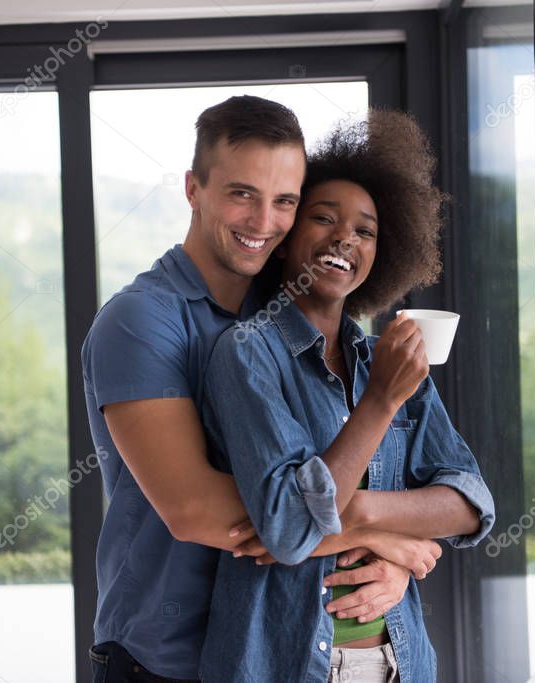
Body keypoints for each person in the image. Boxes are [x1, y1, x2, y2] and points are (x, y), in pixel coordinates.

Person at [82, 96, 482, 682]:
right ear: (193, 188)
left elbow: (372, 488)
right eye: (242, 193)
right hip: (163, 658)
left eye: (285, 202)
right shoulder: (142, 321)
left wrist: (380, 534)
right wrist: (385, 537)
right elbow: (197, 511)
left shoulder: (294, 334)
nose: (263, 221)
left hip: (275, 653)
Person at [199, 110, 495, 683]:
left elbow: (471, 504)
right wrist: (380, 403)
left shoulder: (387, 361)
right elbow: (288, 528)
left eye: (365, 231)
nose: (344, 238)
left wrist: (364, 518)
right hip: (278, 666)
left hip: (396, 663)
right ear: (285, 239)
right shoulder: (247, 355)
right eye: (323, 218)